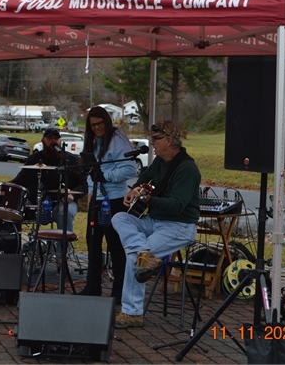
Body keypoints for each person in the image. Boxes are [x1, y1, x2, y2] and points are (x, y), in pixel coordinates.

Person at [112, 120, 200, 328]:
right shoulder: (161, 161)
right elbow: (145, 178)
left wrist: (148, 200)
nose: (151, 142)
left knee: (135, 257)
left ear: (169, 141)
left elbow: (176, 206)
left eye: (155, 138)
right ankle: (143, 251)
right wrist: (134, 190)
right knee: (119, 217)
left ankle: (132, 312)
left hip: (179, 226)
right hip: (155, 221)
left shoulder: (187, 169)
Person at [79, 106, 136, 304]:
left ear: (107, 121)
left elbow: (130, 168)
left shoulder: (117, 138)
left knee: (116, 247)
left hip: (115, 200)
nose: (97, 128)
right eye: (93, 125)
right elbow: (93, 170)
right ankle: (92, 287)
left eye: (100, 123)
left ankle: (119, 293)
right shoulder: (94, 142)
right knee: (93, 244)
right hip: (98, 199)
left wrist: (105, 176)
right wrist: (91, 190)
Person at [10, 128, 88, 236]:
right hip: (35, 202)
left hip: (62, 202)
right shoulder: (34, 159)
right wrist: (5, 187)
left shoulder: (70, 160)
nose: (53, 141)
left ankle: (64, 250)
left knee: (65, 211)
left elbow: (83, 185)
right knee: (15, 208)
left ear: (60, 141)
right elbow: (19, 180)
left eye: (56, 138)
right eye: (50, 138)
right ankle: (15, 244)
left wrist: (72, 194)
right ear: (43, 141)